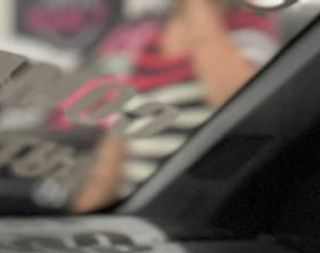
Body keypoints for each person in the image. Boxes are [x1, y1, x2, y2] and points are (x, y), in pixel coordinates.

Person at [72, 0, 277, 213]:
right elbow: (113, 156)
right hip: (136, 215)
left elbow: (243, 108)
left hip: (191, 213)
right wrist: (84, 218)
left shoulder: (248, 29)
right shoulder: (148, 44)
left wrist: (198, 8)